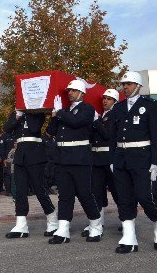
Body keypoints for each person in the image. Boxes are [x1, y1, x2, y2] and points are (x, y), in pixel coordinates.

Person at [112, 71, 157, 253]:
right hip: (121, 158)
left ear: (138, 86)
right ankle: (129, 237)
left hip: (143, 157)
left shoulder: (150, 105)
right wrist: (113, 158)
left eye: (129, 84)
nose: (125, 87)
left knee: (146, 196)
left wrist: (156, 162)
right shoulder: (118, 108)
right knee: (124, 198)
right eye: (123, 84)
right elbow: (113, 136)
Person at [45, 79, 102, 243]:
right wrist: (55, 115)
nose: (69, 93)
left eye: (73, 90)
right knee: (65, 195)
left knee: (84, 194)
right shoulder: (63, 111)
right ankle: (63, 229)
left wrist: (61, 113)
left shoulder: (88, 109)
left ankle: (95, 225)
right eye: (68, 90)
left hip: (80, 157)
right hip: (62, 157)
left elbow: (76, 122)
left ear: (82, 93)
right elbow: (50, 131)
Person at [4, 109, 58, 239]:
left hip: (35, 154)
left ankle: (52, 219)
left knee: (39, 189)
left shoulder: (37, 112)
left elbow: (34, 129)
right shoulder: (16, 113)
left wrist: (26, 114)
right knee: (20, 190)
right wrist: (17, 116)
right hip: (20, 154)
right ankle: (21, 224)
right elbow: (7, 128)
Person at [81, 89, 119, 238]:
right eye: (104, 98)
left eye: (109, 99)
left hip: (110, 157)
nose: (105, 101)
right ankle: (97, 222)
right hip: (96, 158)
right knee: (97, 192)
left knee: (117, 191)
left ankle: (126, 219)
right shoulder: (101, 116)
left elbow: (107, 135)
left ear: (115, 102)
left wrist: (96, 121)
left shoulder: (115, 116)